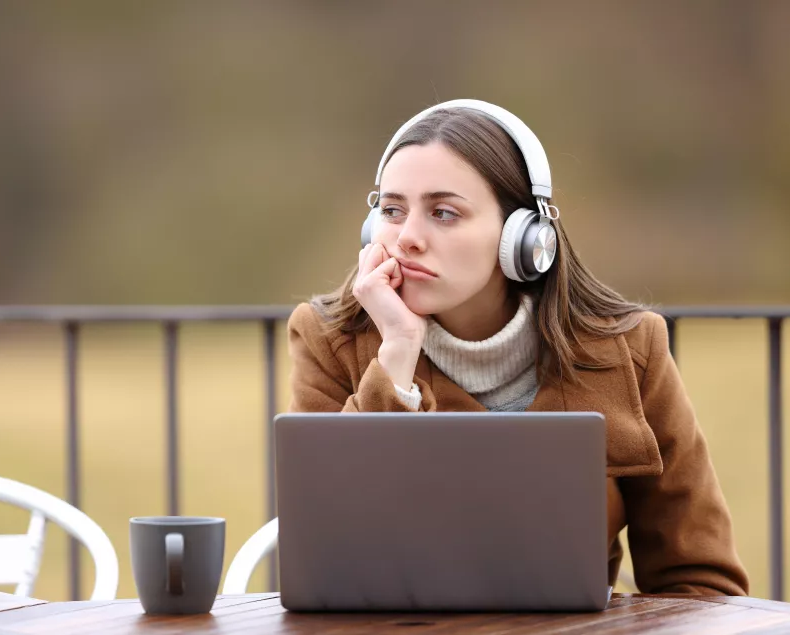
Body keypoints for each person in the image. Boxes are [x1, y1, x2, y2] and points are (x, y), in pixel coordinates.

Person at [286, 99, 749, 596]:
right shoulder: (331, 340)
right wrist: (396, 355)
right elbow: (327, 555)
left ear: (525, 237)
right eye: (393, 210)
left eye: (444, 213)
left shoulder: (631, 349)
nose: (408, 238)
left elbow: (702, 581)